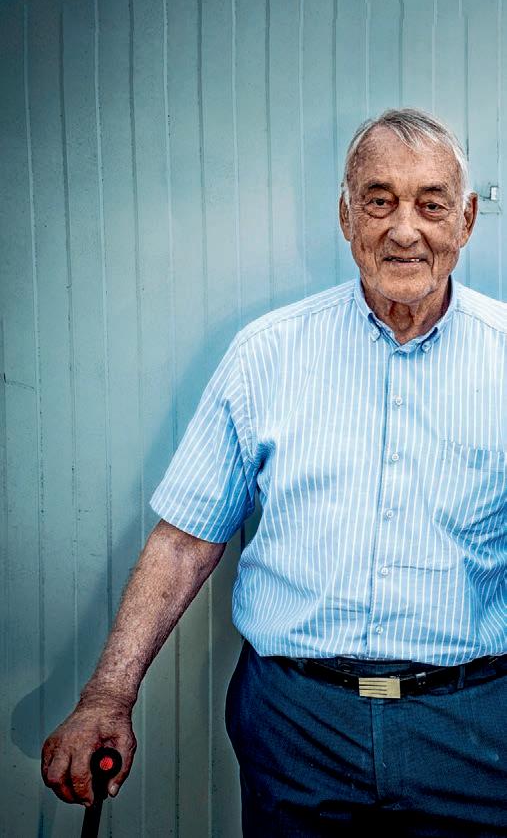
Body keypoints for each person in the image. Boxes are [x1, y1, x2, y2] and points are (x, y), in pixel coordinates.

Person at [41, 108, 507, 836]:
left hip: (472, 726)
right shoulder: (266, 354)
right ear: (345, 215)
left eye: (431, 204)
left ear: (467, 219)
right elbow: (183, 542)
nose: (404, 230)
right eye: (378, 200)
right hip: (297, 727)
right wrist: (107, 696)